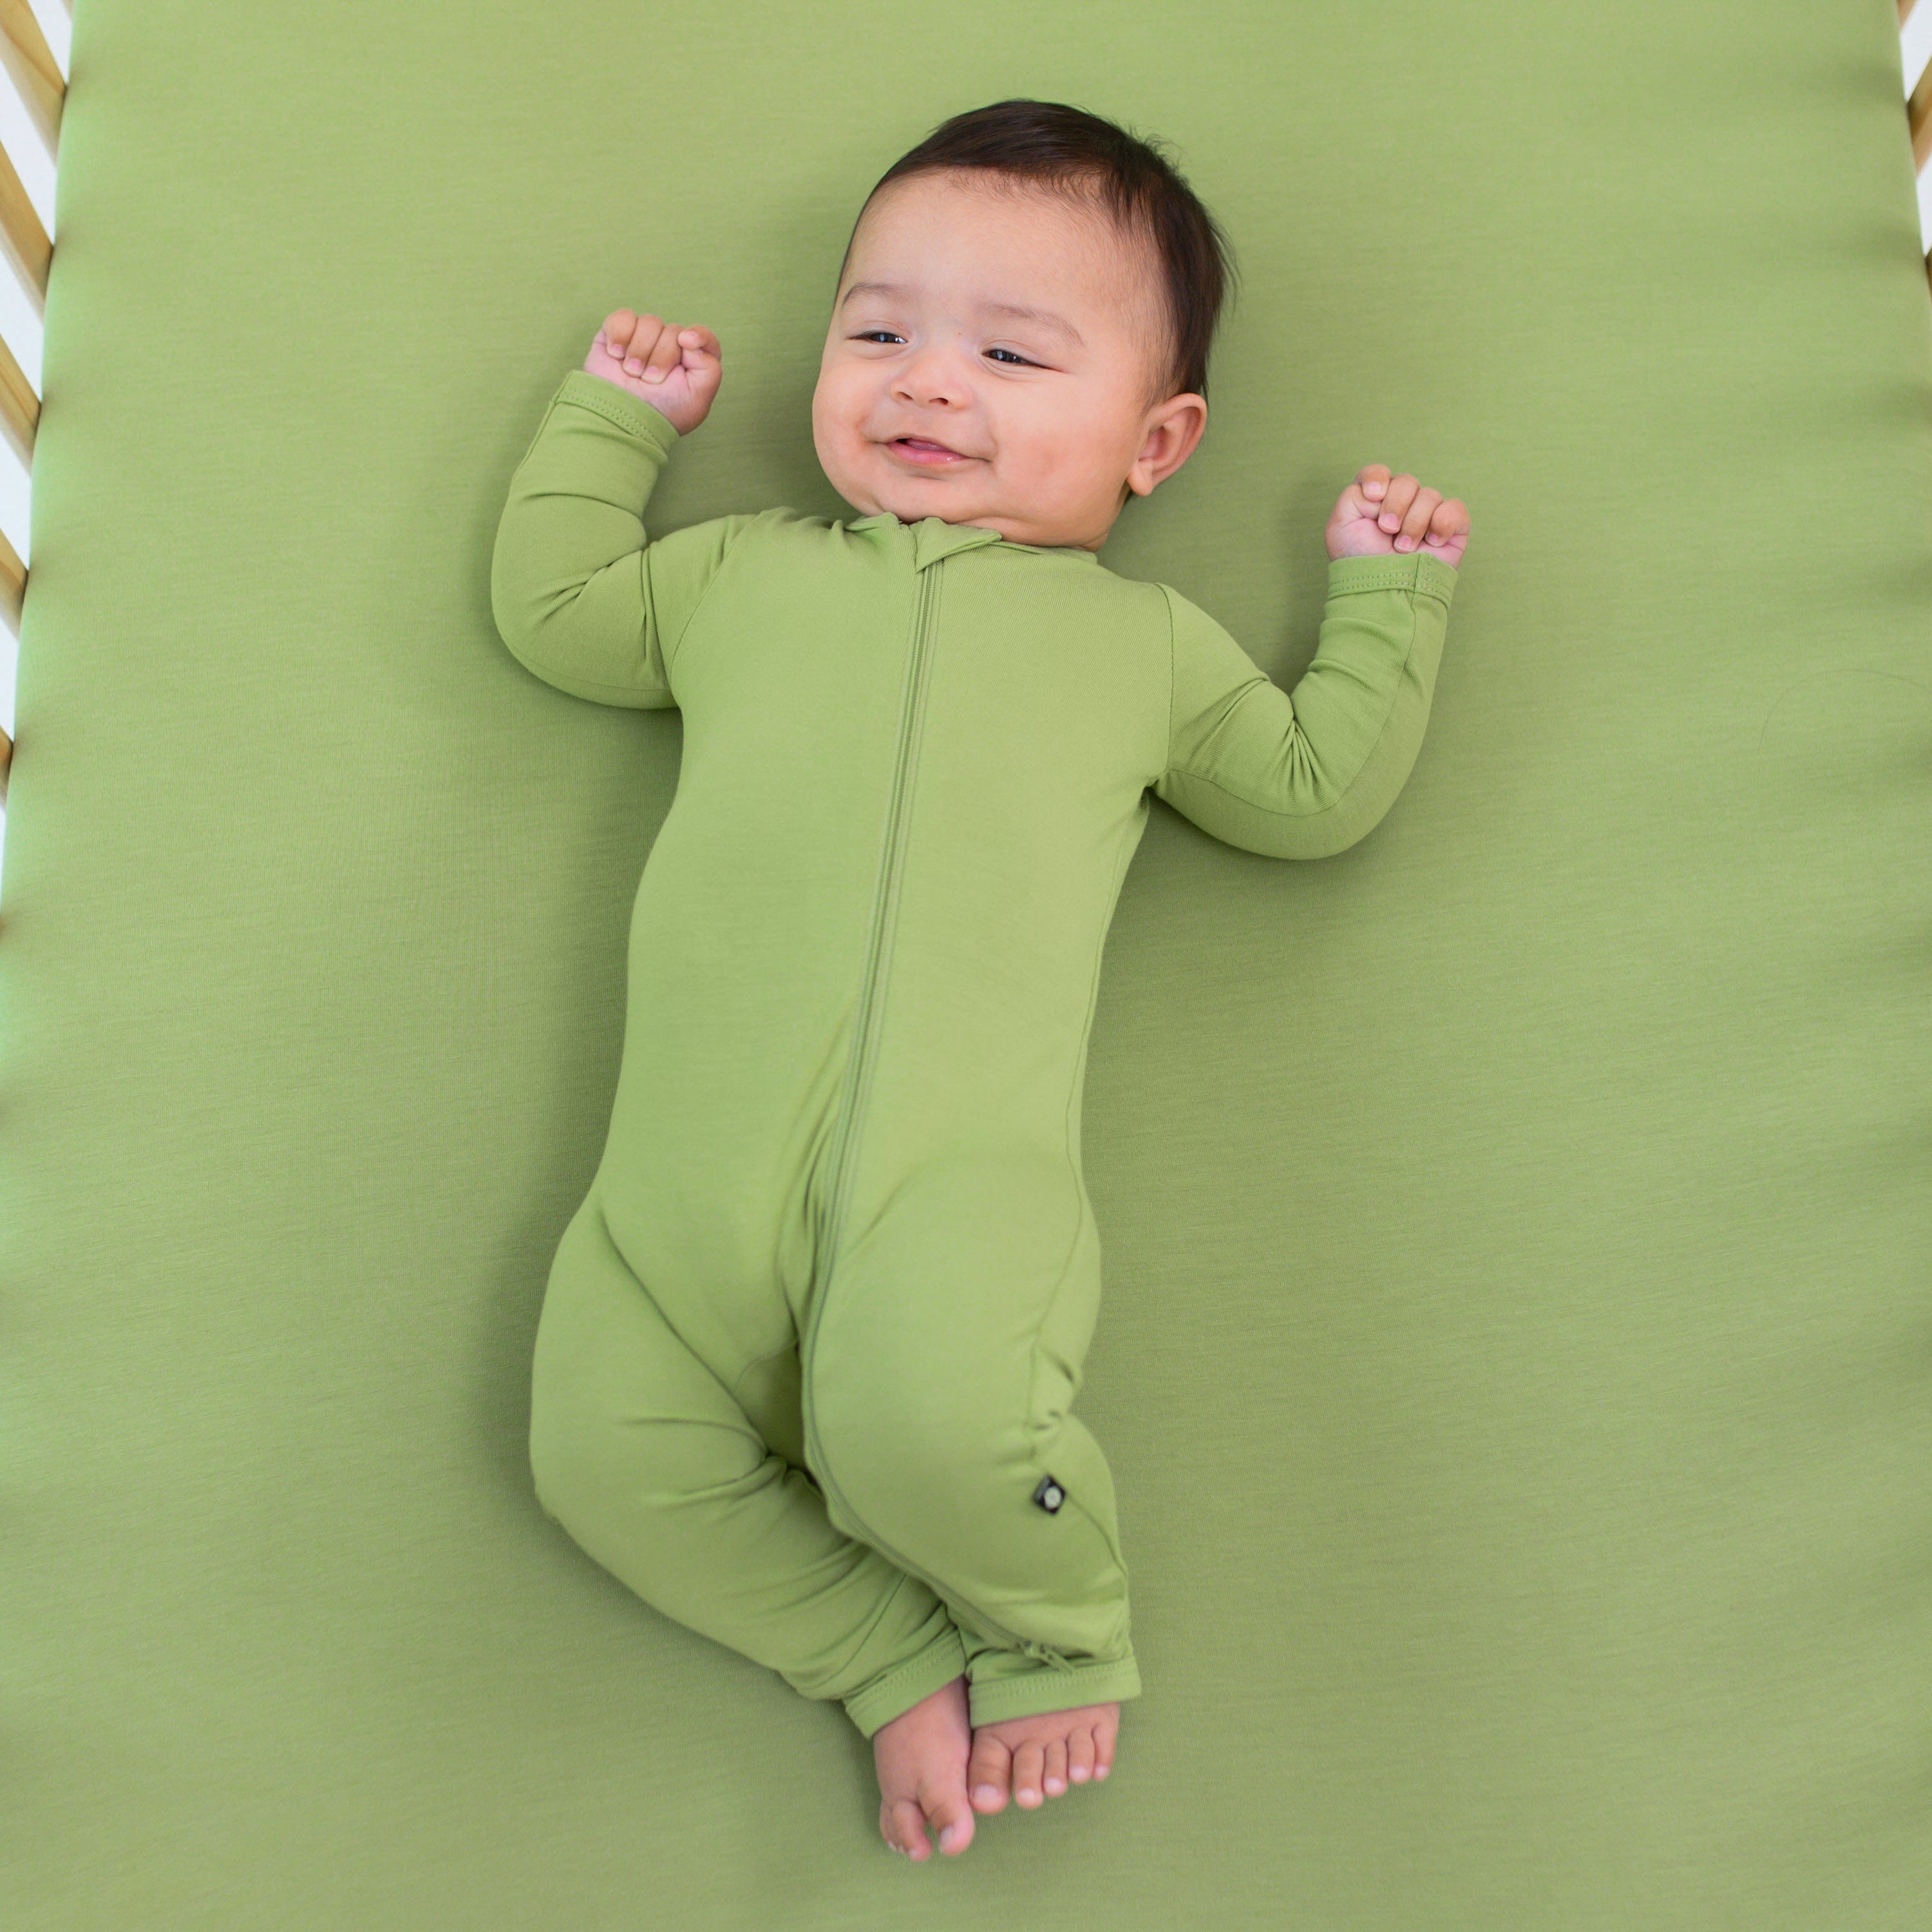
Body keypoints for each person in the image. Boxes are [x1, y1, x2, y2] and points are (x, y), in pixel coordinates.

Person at [490, 97, 1470, 1865]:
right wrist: (615, 423)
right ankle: (876, 1652)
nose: (928, 383)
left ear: (1156, 440)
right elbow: (558, 612)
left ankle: (1059, 1624)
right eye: (878, 334)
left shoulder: (1142, 649)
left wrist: (1385, 609)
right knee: (596, 1454)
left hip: (957, 1190)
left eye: (1013, 353)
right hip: (670, 1201)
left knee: (932, 1429)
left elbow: (1311, 796)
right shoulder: (738, 576)